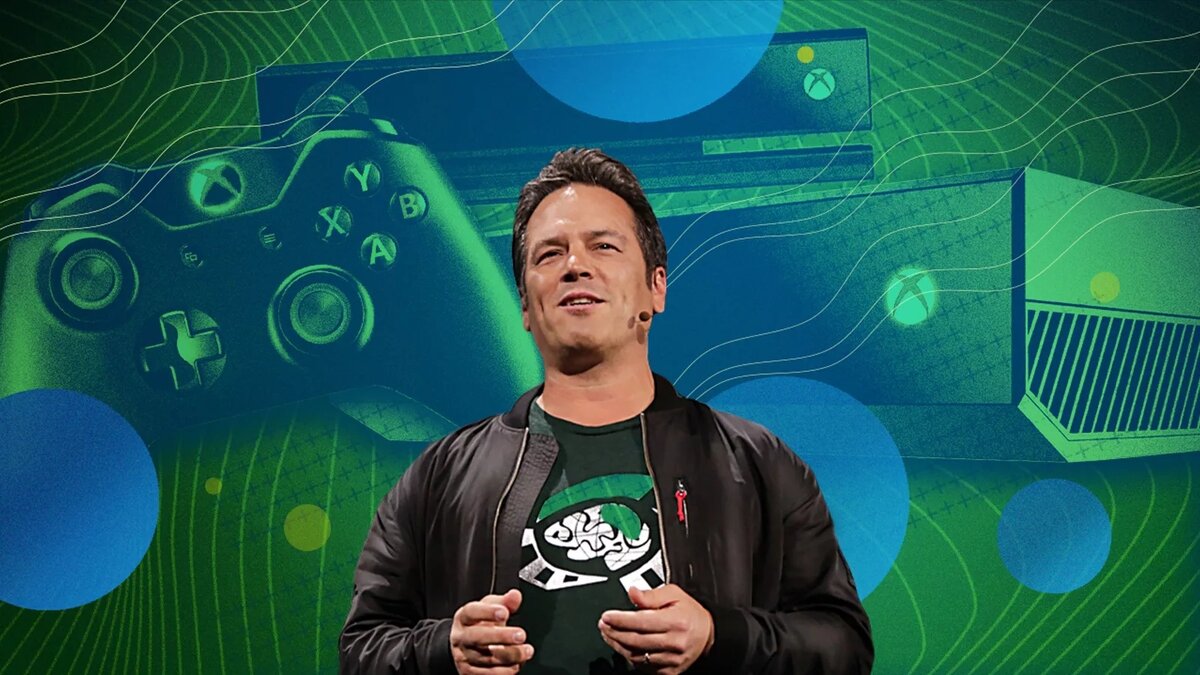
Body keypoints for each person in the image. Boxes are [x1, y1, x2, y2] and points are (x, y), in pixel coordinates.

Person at [339, 148, 873, 674]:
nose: (575, 266)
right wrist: (445, 651)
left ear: (655, 288)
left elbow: (844, 644)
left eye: (603, 246)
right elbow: (362, 646)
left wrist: (718, 635)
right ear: (525, 306)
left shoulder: (756, 463)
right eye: (550, 255)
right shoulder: (440, 476)